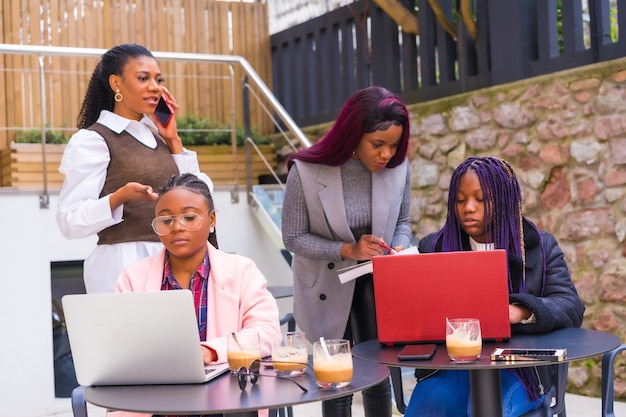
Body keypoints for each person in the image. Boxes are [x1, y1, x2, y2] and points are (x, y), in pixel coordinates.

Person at [405, 156, 585, 417]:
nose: (468, 208)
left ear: (504, 200)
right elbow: (414, 313)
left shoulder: (540, 247)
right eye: (460, 199)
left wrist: (521, 311)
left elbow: (571, 306)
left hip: (520, 371)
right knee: (426, 406)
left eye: (481, 199)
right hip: (451, 368)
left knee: (485, 408)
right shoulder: (434, 248)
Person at [281, 86, 413, 417]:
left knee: (379, 377)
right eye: (377, 144)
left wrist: (398, 244)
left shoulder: (398, 169)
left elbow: (404, 221)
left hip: (377, 285)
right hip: (327, 286)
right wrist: (348, 249)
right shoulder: (306, 171)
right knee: (334, 380)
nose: (386, 154)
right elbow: (293, 237)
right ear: (352, 135)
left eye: (394, 145)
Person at [112, 172, 282, 417]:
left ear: (211, 219)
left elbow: (266, 333)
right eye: (165, 220)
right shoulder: (133, 277)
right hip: (154, 402)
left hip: (225, 403)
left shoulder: (242, 271)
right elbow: (119, 344)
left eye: (189, 217)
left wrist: (209, 351)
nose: (177, 227)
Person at [56, 43, 213, 294]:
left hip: (172, 264)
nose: (154, 86)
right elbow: (70, 220)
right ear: (116, 84)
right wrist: (121, 197)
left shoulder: (160, 137)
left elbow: (200, 194)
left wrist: (173, 139)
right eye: (143, 78)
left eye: (158, 79)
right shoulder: (93, 140)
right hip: (124, 268)